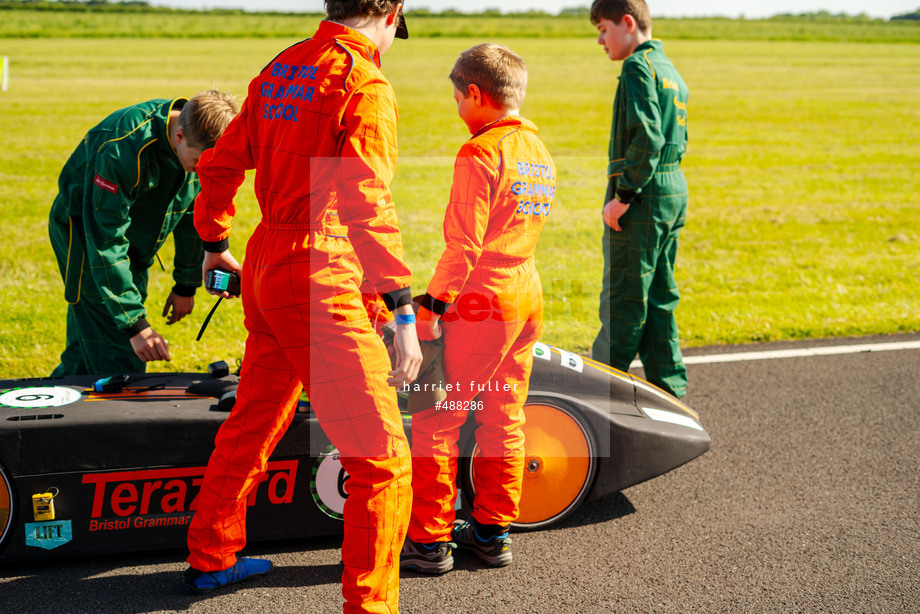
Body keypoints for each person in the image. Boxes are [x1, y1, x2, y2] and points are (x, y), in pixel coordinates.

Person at [183, 3, 423, 612]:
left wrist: (215, 242)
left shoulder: (282, 64)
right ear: (392, 14)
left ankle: (212, 557)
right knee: (384, 460)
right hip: (320, 268)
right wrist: (401, 310)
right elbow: (366, 199)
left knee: (254, 420)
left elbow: (218, 162)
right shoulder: (363, 84)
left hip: (266, 264)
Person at [399, 43, 555, 574]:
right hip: (526, 290)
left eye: (457, 99)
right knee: (503, 416)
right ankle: (492, 533)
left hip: (484, 295)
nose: (457, 111)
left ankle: (428, 541)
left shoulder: (479, 152)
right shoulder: (539, 151)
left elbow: (462, 246)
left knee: (437, 418)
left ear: (474, 92)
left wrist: (432, 309)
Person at [48, 90, 239, 376]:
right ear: (178, 137)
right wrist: (135, 325)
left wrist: (185, 285)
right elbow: (105, 241)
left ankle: (56, 396)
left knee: (89, 340)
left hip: (134, 234)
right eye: (201, 164)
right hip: (86, 231)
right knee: (115, 340)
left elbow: (193, 214)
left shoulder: (197, 142)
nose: (205, 172)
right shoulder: (120, 146)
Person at [589, 0, 690, 398]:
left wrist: (624, 195)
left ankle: (595, 397)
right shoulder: (669, 69)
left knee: (624, 299)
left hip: (643, 196)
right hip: (672, 190)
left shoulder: (637, 66)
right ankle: (671, 392)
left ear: (627, 23)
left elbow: (648, 137)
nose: (600, 39)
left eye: (603, 29)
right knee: (660, 297)